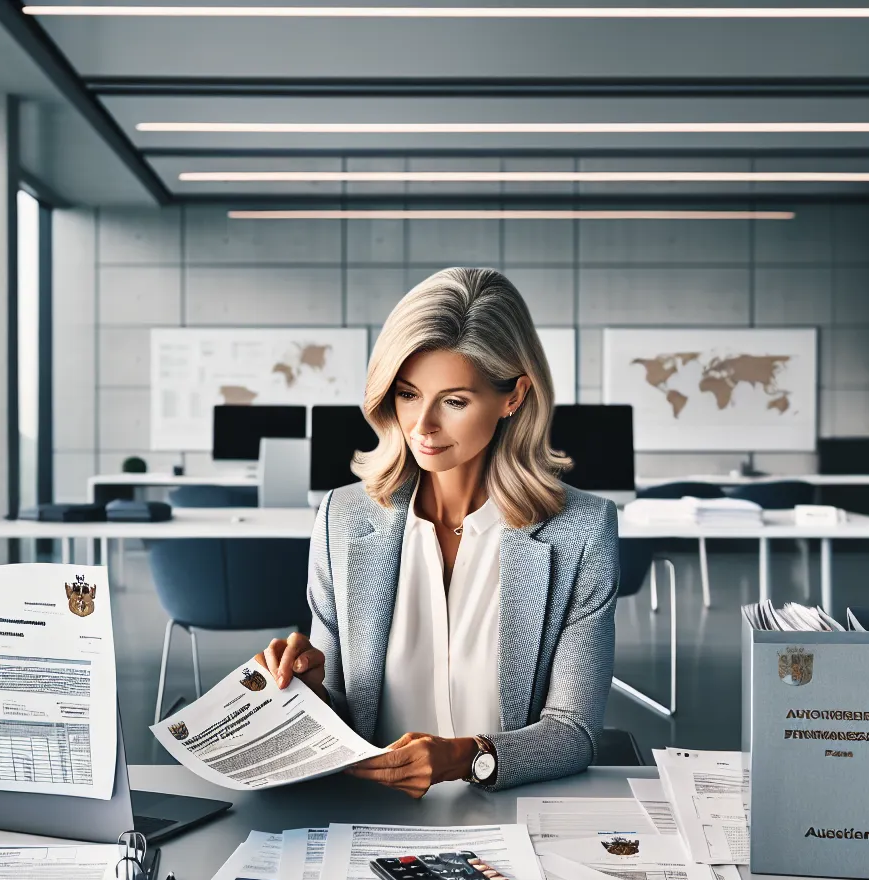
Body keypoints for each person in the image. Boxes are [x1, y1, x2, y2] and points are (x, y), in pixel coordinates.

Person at [255, 267, 619, 798]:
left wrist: (464, 758)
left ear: (514, 396)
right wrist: (308, 693)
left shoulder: (582, 532)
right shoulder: (343, 519)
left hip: (510, 815)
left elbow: (574, 731)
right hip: (370, 819)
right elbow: (342, 713)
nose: (421, 425)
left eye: (453, 401)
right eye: (407, 394)